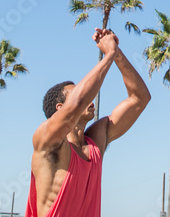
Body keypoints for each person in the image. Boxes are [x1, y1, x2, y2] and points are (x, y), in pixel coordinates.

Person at [27, 28, 150, 217]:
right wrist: (107, 54)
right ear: (60, 108)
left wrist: (116, 52)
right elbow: (77, 103)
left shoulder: (95, 142)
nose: (90, 100)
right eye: (76, 92)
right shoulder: (47, 139)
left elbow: (139, 98)